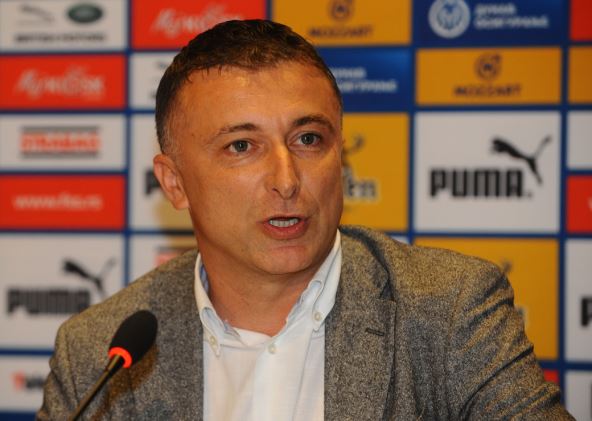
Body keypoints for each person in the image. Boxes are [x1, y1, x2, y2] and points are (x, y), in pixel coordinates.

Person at [37, 19, 574, 420]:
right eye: (242, 146)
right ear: (174, 182)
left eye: (308, 139)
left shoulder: (448, 310)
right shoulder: (98, 353)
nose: (287, 179)